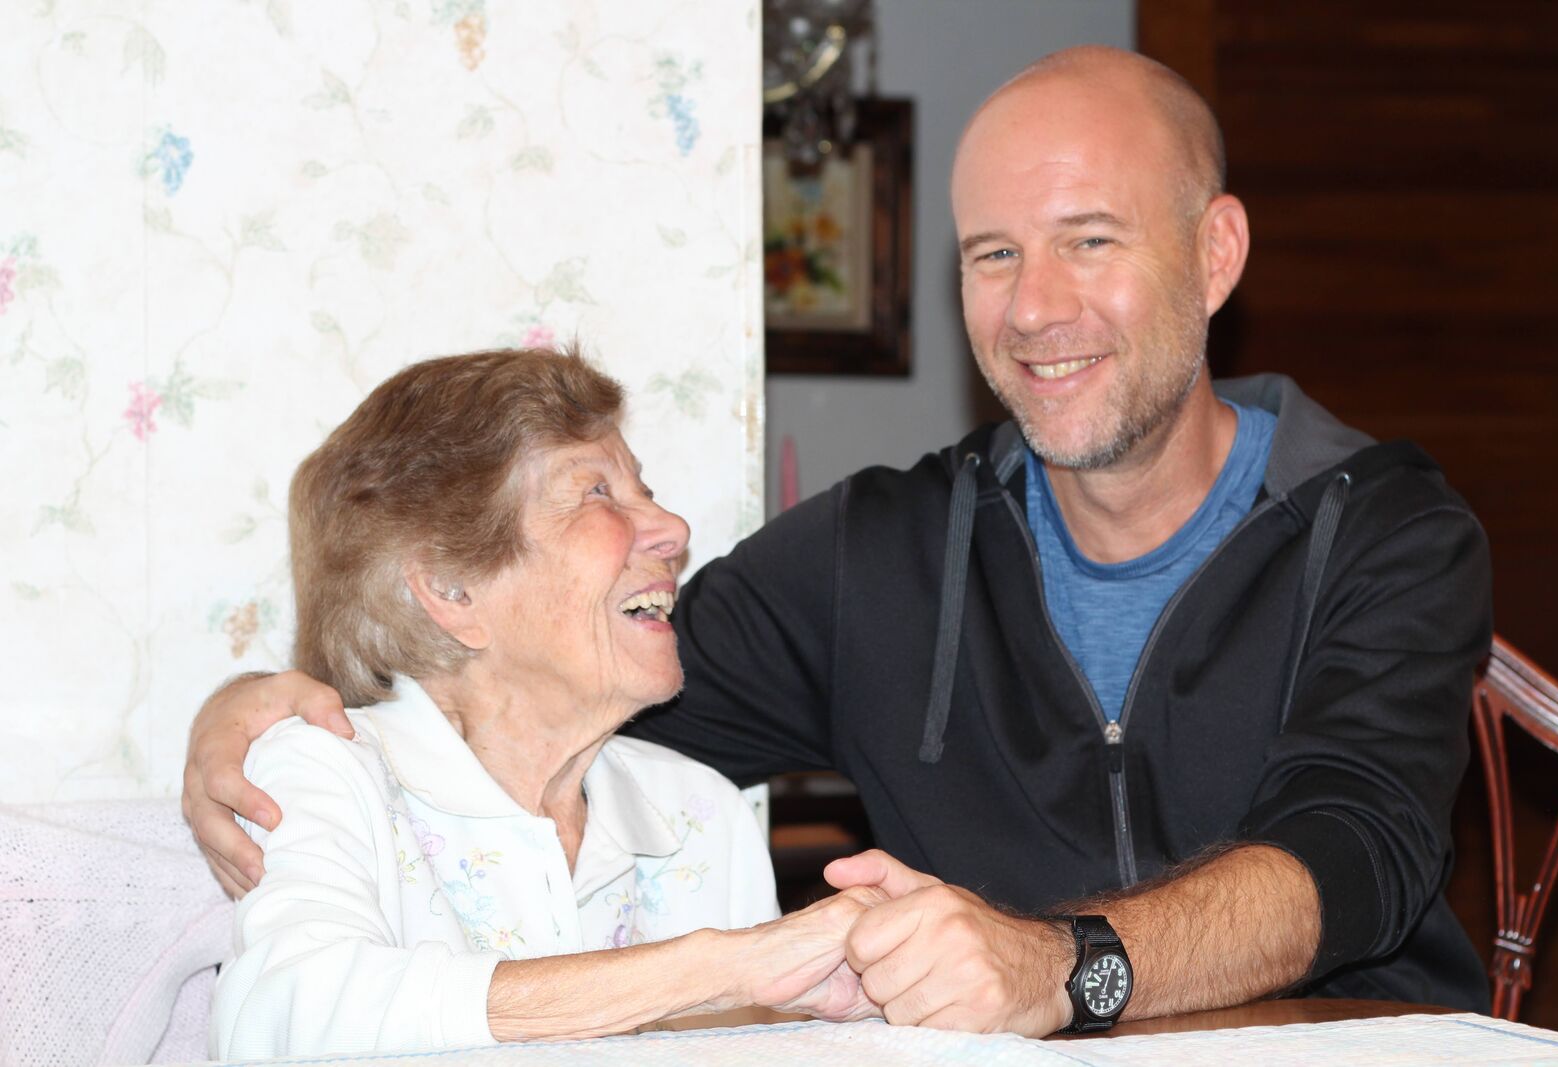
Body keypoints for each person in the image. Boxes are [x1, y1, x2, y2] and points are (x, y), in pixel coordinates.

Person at [186, 46, 1492, 1038]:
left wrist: (1068, 960)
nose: (1035, 307)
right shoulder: (884, 551)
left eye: (1091, 241)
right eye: (993, 253)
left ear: (1215, 254)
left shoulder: (1379, 526)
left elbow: (1358, 847)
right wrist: (293, 705)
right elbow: (565, 691)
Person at [205, 347, 882, 1058]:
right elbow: (280, 1019)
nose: (672, 529)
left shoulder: (700, 811)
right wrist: (721, 964)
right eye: (596, 492)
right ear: (452, 587)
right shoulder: (329, 771)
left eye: (642, 490)